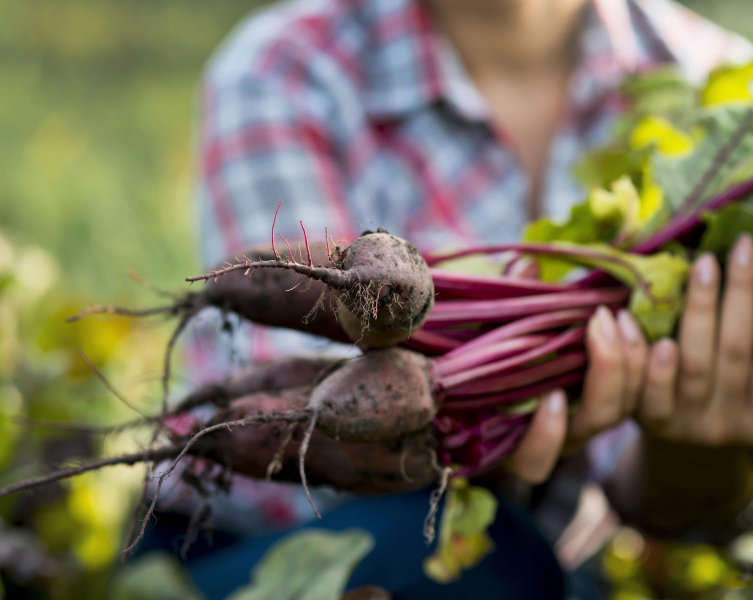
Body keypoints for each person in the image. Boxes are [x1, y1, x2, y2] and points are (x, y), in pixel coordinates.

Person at [179, 0, 753, 596]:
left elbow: (673, 508)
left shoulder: (720, 87)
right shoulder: (289, 67)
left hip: (541, 566)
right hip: (239, 548)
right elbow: (300, 438)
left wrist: (690, 449)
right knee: (467, 556)